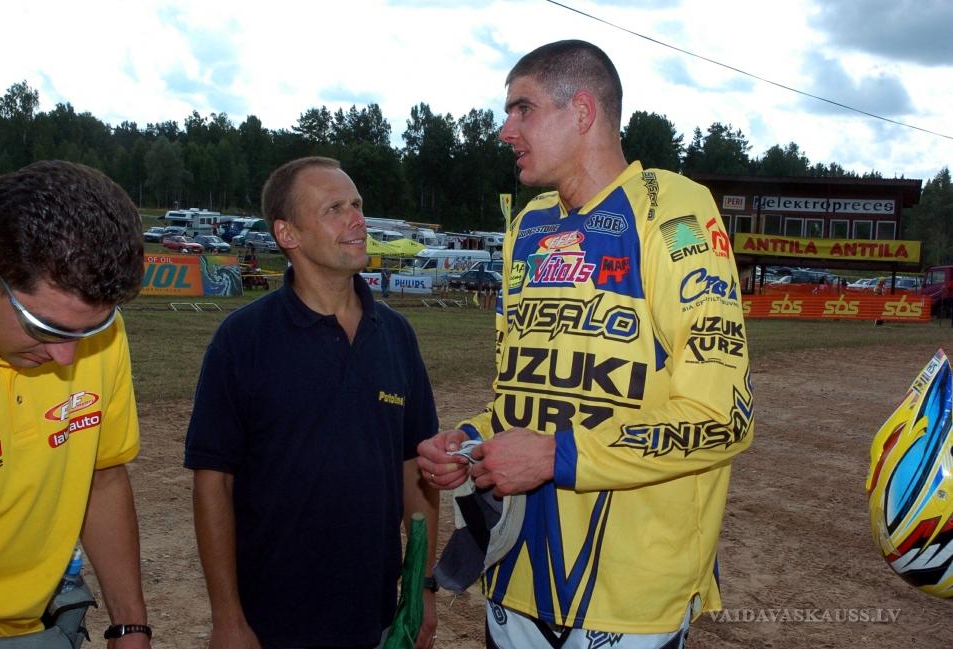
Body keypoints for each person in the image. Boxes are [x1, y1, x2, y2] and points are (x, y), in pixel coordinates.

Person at [418, 40, 754, 648]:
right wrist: (471, 440)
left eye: (522, 108)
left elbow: (722, 418)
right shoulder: (528, 227)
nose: (505, 130)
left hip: (630, 597)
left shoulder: (674, 212)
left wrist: (557, 457)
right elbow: (527, 395)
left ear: (581, 112)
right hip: (515, 579)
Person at [185, 157, 440, 649]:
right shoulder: (242, 340)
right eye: (334, 209)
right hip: (271, 625)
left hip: (377, 620)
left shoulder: (396, 336)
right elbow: (213, 482)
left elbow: (417, 468)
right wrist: (227, 619)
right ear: (288, 234)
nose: (358, 220)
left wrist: (422, 585)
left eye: (357, 205)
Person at [0, 161, 152, 646]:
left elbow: (102, 476)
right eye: (46, 328)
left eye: (93, 328)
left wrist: (130, 624)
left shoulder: (95, 335)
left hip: (43, 624)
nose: (67, 356)